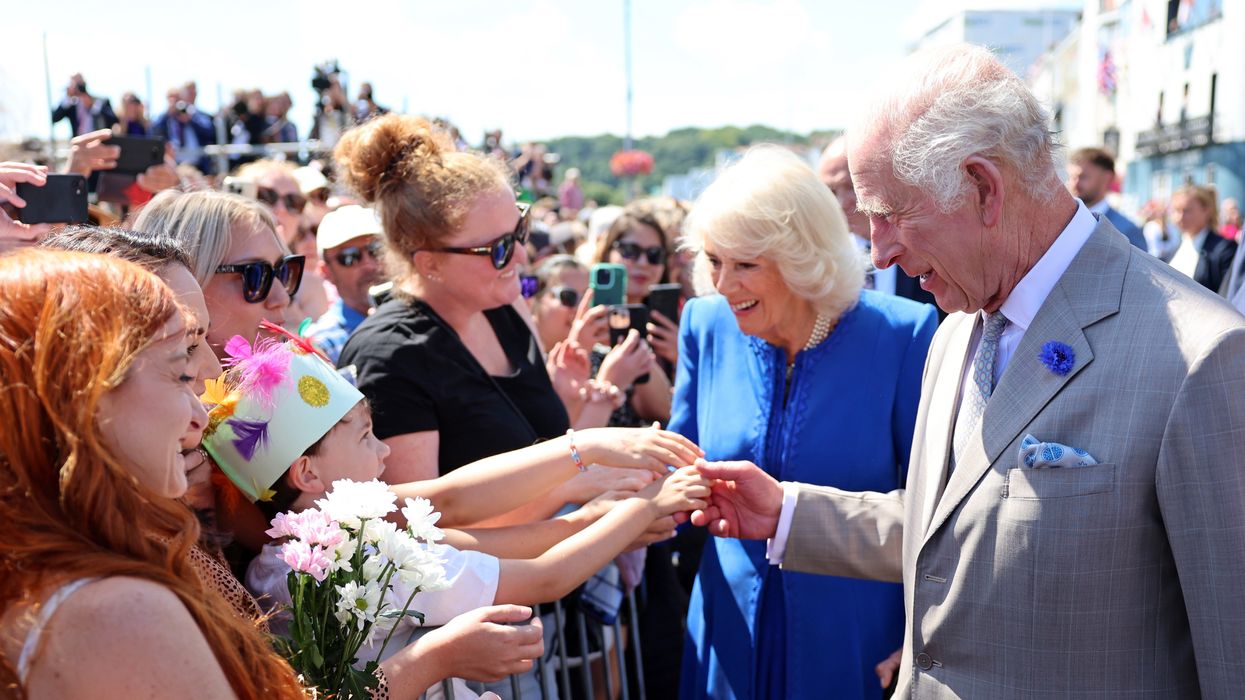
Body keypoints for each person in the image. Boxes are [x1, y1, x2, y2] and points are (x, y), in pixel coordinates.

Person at [689, 43, 1245, 697]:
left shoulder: (1198, 357)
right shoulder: (956, 331)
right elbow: (956, 526)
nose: (880, 252)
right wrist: (787, 513)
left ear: (983, 187)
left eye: (889, 216)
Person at [0, 248, 553, 698]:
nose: (201, 413)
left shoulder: (104, 568)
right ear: (85, 394)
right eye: (178, 370)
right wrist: (429, 662)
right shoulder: (111, 605)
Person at [200, 335, 708, 696]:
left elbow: (460, 516)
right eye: (364, 436)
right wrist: (648, 506)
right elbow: (547, 577)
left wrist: (593, 499)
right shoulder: (358, 559)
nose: (383, 455)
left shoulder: (286, 555)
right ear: (307, 474)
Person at [674, 146, 937, 699]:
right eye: (712, 260)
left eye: (745, 264)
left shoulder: (902, 335)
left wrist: (920, 637)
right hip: (727, 640)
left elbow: (937, 511)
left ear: (803, 258)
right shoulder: (704, 324)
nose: (722, 285)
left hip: (853, 643)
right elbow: (679, 477)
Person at [818, 137, 939, 311]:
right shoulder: (820, 260)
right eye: (831, 191)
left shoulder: (926, 248)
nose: (841, 203)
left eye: (851, 186)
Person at [306, 205, 386, 362]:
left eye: (376, 249)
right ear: (326, 272)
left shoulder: (426, 314)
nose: (368, 264)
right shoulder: (321, 346)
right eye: (349, 257)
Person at [1065, 147, 1148, 251]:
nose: (1074, 184)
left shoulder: (1127, 232)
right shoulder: (1061, 224)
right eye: (1071, 177)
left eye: (1083, 177)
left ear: (1107, 177)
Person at [1167, 183, 1235, 292]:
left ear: (1206, 210)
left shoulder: (1224, 249)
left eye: (1186, 210)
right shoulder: (1175, 248)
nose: (1179, 217)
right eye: (1176, 210)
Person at [50, 73, 117, 137]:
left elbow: (113, 120)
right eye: (73, 83)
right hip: (80, 144)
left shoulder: (101, 101)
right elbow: (55, 118)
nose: (77, 86)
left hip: (100, 143)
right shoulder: (71, 105)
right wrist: (67, 98)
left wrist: (93, 107)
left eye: (78, 83)